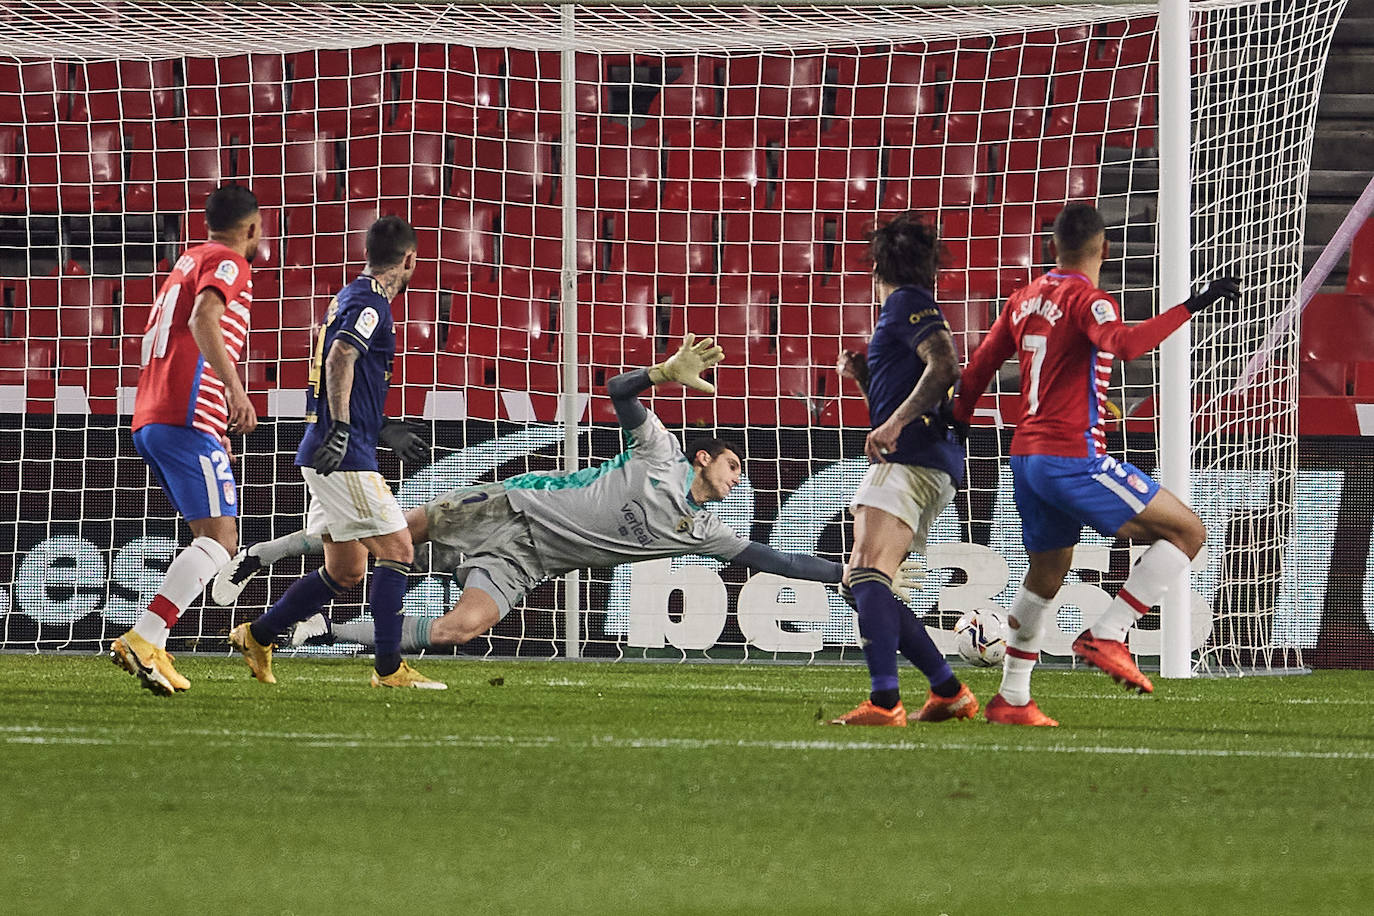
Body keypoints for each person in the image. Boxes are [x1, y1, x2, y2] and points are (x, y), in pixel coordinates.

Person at [213, 334, 893, 654]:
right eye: (734, 466)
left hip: (526, 563)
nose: (737, 480)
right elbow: (617, 392)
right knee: (374, 543)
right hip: (510, 506)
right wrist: (660, 372)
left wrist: (847, 574)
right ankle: (259, 556)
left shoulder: (704, 532)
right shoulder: (659, 450)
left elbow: (778, 559)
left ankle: (321, 631)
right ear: (704, 457)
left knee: (461, 628)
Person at [951, 202, 1240, 726]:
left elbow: (977, 370)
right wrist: (1191, 306)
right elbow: (1125, 345)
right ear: (1105, 248)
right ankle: (1109, 632)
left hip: (1026, 459)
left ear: (1052, 247)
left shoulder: (1023, 299)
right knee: (1187, 532)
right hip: (1072, 458)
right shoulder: (1090, 301)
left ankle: (1013, 698)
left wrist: (958, 427)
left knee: (1046, 575)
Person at [227, 215, 443, 689]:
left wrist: (378, 427)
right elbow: (341, 355)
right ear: (410, 259)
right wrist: (344, 429)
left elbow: (349, 373)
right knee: (398, 550)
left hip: (327, 450)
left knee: (346, 571)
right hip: (342, 454)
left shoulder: (347, 296)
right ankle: (389, 669)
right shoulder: (370, 303)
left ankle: (257, 635)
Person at [827, 211, 979, 727]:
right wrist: (865, 379)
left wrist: (893, 425)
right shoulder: (906, 308)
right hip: (927, 460)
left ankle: (885, 701)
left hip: (913, 457)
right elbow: (905, 392)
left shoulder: (905, 303)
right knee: (862, 581)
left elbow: (945, 365)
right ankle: (947, 690)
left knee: (866, 574)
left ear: (876, 268)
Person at [110, 184, 262, 696]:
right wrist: (235, 392)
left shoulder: (187, 259)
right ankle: (145, 636)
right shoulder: (228, 261)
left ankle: (151, 641)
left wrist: (214, 421)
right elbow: (202, 319)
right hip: (184, 415)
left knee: (208, 534)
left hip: (156, 414)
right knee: (221, 540)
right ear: (252, 228)